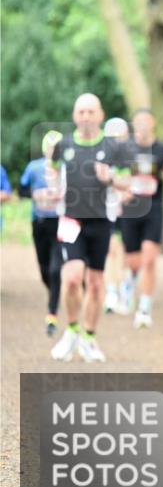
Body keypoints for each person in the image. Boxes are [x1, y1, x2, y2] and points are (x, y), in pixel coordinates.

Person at [49, 93, 133, 363]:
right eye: (81, 112)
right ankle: (71, 330)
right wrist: (53, 187)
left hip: (101, 221)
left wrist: (111, 178)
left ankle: (88, 336)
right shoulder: (63, 144)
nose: (85, 116)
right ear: (75, 115)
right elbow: (52, 171)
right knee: (72, 277)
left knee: (96, 285)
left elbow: (127, 182)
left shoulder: (113, 148)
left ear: (100, 114)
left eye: (90, 112)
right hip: (70, 220)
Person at [118, 109, 163, 328]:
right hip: (131, 209)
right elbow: (115, 175)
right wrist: (122, 190)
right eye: (137, 122)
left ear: (152, 123)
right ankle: (129, 282)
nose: (141, 126)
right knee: (133, 261)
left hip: (154, 208)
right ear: (133, 124)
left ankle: (144, 308)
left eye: (145, 122)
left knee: (150, 259)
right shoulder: (125, 149)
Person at [19, 131, 64, 336]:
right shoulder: (34, 167)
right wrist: (36, 195)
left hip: (60, 223)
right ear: (46, 148)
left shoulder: (66, 168)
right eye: (51, 147)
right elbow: (21, 190)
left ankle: (51, 314)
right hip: (39, 223)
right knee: (45, 270)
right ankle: (54, 290)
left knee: (56, 270)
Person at [101, 117, 130, 316]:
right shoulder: (102, 157)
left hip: (128, 210)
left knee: (124, 252)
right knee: (111, 250)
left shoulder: (130, 156)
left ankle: (123, 289)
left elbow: (133, 181)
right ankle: (111, 292)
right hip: (107, 210)